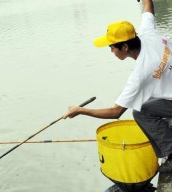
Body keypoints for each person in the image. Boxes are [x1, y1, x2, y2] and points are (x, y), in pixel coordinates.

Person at [63, 0, 172, 173]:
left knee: (140, 111)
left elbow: (115, 112)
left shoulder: (140, 73)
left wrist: (80, 110)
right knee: (146, 97)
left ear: (125, 46)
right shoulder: (147, 33)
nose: (111, 51)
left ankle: (171, 155)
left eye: (112, 47)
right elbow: (148, 6)